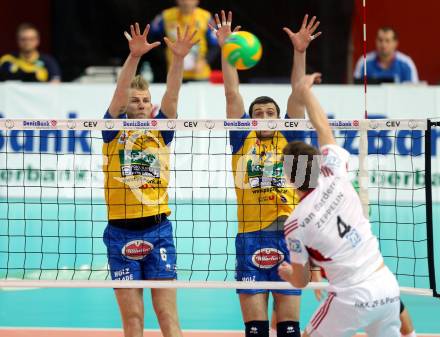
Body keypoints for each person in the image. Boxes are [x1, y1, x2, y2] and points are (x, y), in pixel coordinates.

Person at [211, 10, 321, 337]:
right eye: (257, 113)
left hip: (289, 236)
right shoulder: (241, 138)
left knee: (289, 329)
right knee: (256, 330)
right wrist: (227, 51)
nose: (263, 117)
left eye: (269, 113)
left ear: (279, 118)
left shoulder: (289, 138)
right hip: (250, 237)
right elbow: (232, 95)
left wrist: (300, 51)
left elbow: (298, 94)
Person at [278, 73, 401, 337]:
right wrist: (305, 90)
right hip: (387, 287)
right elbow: (323, 128)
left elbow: (301, 281)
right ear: (317, 164)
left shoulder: (295, 224)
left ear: (289, 178)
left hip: (351, 297)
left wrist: (288, 272)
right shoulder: (335, 171)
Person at [101, 22, 198, 337]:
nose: (142, 105)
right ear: (126, 107)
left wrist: (179, 59)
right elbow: (117, 96)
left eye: (145, 100)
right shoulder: (112, 131)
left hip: (158, 230)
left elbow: (173, 93)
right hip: (120, 233)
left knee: (168, 319)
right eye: (135, 101)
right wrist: (133, 58)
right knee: (132, 321)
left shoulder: (161, 130)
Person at [151, 0, 217, 81]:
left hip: (200, 74)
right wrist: (165, 56)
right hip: (174, 73)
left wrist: (205, 61)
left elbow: (215, 45)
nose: (186, 2)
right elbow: (152, 38)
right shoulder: (165, 16)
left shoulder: (206, 17)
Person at [354, 27, 418, 83]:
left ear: (395, 43)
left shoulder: (406, 63)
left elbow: (414, 91)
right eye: (380, 40)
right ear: (375, 41)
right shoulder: (364, 61)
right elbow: (355, 89)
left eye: (387, 41)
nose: (383, 45)